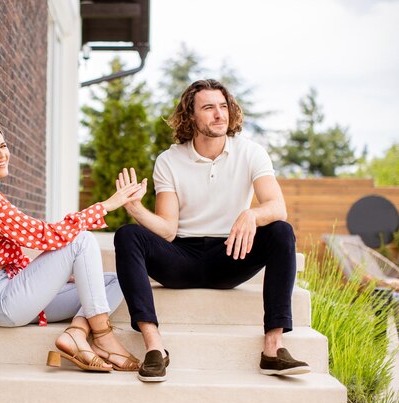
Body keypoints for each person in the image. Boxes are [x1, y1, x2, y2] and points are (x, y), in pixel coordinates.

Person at [113, 79, 311, 382]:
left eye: (223, 107)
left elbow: (277, 207)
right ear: (191, 116)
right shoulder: (169, 160)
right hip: (180, 258)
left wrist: (252, 214)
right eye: (208, 107)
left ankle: (273, 348)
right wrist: (136, 210)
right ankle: (155, 347)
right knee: (127, 234)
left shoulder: (251, 153)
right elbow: (167, 230)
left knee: (281, 230)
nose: (220, 114)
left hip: (231, 255)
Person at [0, 122, 141, 372]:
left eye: (2, 146)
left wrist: (65, 275)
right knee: (81, 239)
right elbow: (45, 236)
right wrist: (105, 206)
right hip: (0, 298)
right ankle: (103, 336)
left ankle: (77, 332)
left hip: (16, 290)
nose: (1, 154)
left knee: (121, 280)